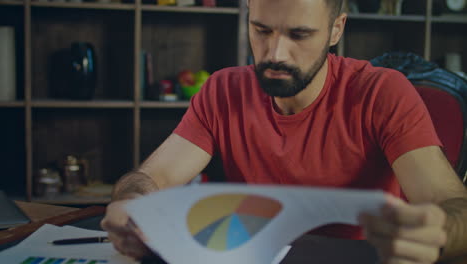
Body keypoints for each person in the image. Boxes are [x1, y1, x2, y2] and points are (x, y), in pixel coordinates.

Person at [101, 0, 467, 263]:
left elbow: (453, 204)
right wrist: (133, 204)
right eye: (262, 30)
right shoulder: (223, 90)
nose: (275, 53)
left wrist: (439, 232)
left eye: (299, 34)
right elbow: (154, 176)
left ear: (336, 29)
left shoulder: (381, 92)